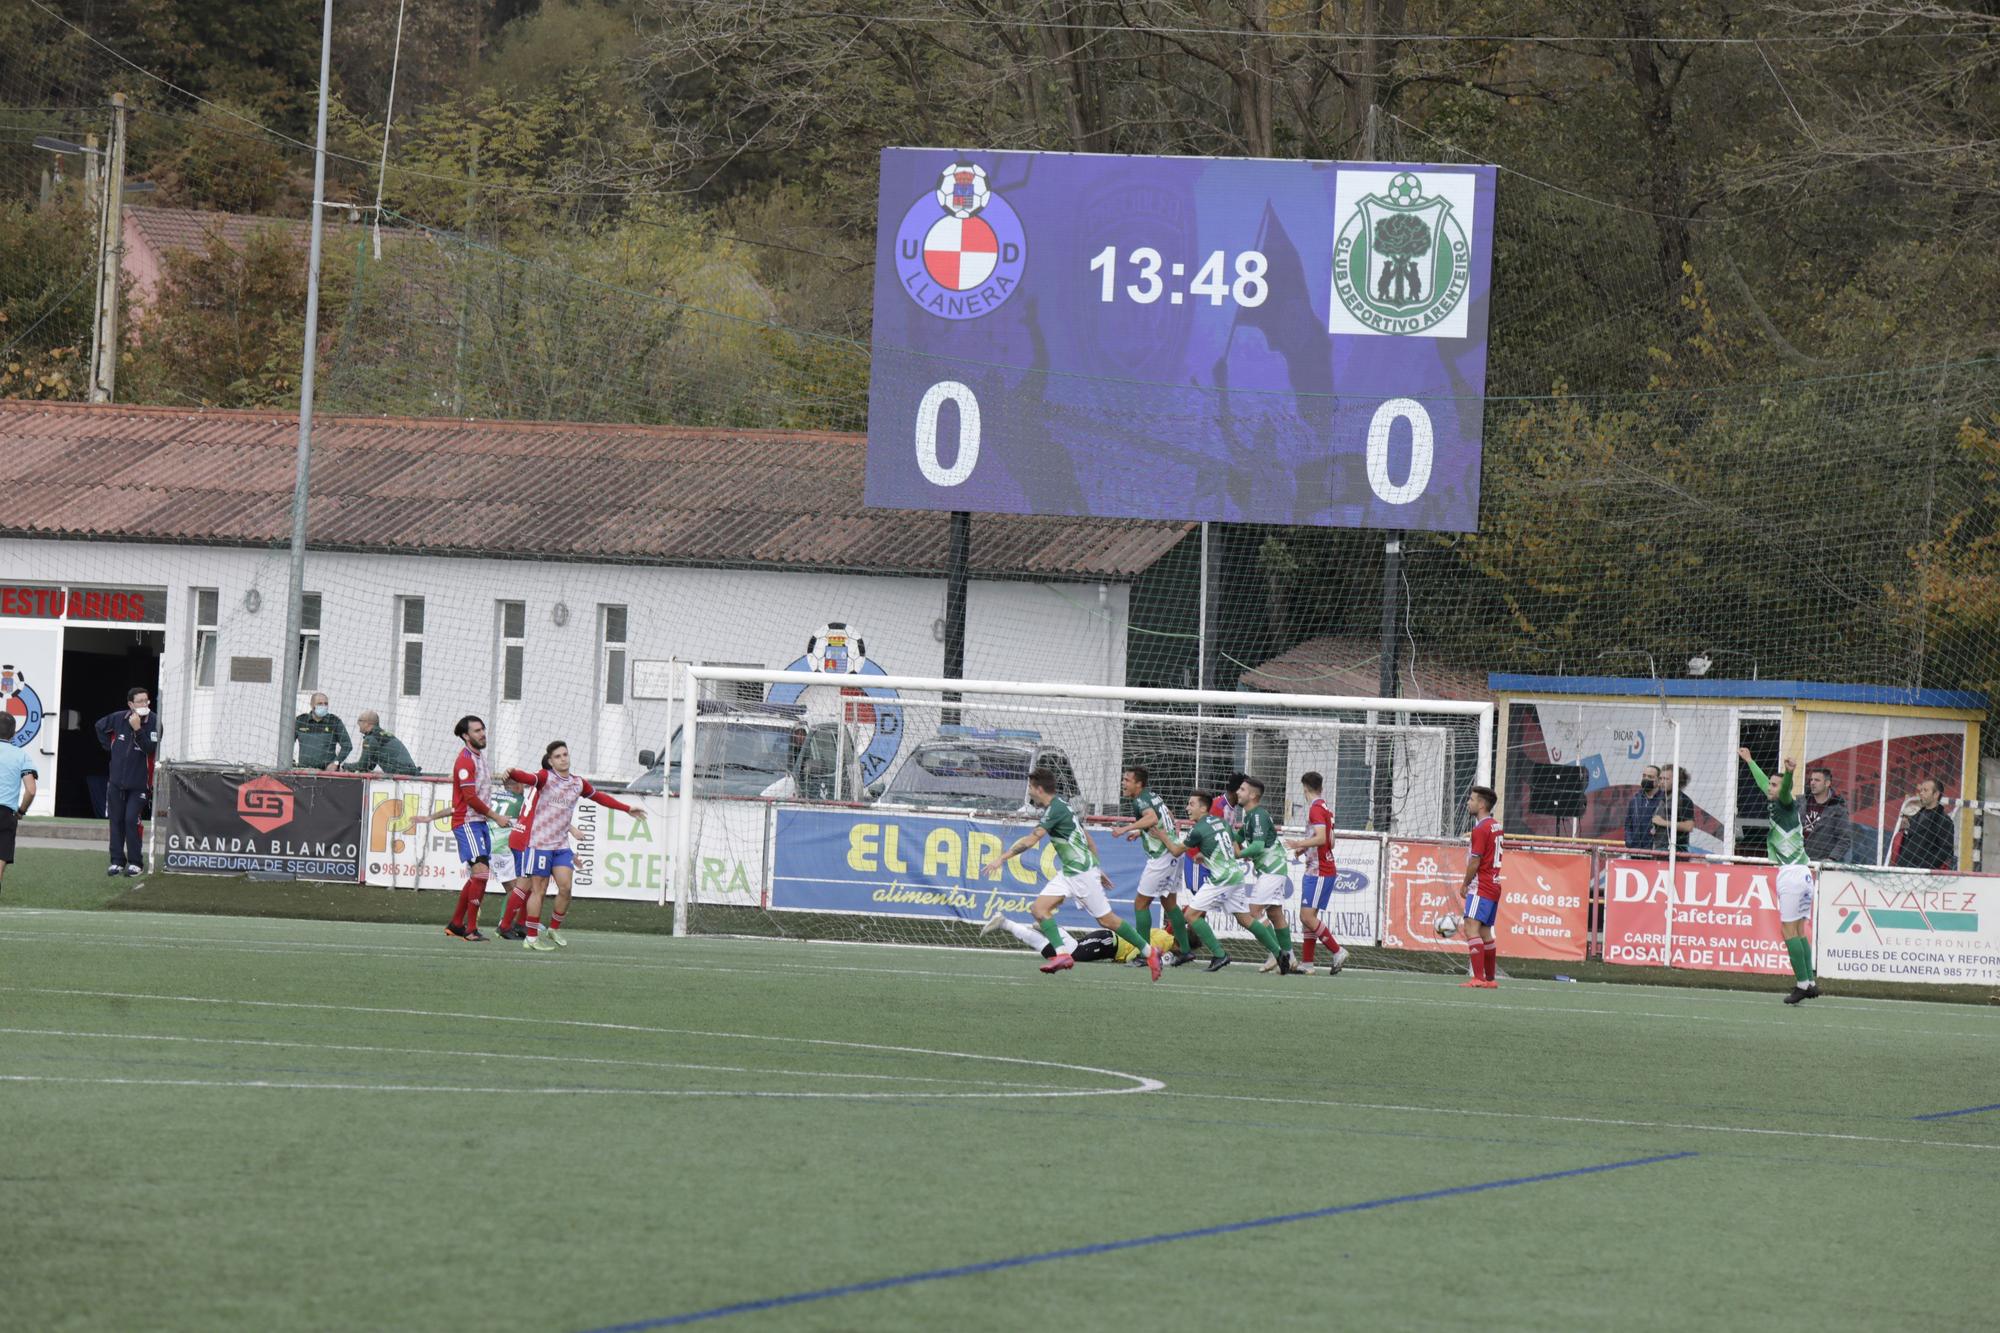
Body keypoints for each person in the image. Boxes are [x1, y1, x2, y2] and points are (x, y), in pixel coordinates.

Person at [978, 767, 1160, 979]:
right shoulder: (1062, 805)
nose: (1029, 792)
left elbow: (1032, 839)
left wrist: (1002, 858)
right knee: (1038, 909)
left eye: (1030, 788)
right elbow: (1086, 838)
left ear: (1039, 789)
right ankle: (1063, 955)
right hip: (1071, 872)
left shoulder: (1055, 810)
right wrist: (1096, 866)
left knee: (1107, 921)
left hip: (1081, 873)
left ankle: (1150, 952)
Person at [507, 741, 648, 951]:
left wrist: (626, 808)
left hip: (561, 846)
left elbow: (600, 797)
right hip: (539, 844)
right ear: (551, 761)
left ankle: (553, 928)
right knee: (539, 890)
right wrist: (513, 772)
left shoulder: (577, 783)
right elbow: (527, 778)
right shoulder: (545, 778)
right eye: (558, 756)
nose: (563, 759)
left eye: (565, 754)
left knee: (566, 888)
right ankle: (532, 938)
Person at [1162, 790, 1292, 974]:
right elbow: (1231, 847)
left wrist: (1161, 834)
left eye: (1191, 804)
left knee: (1191, 915)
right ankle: (1279, 953)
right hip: (1236, 876)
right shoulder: (1221, 822)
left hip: (1222, 879)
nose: (1187, 808)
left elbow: (1176, 851)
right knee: (1245, 919)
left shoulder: (1197, 829)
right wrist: (1206, 855)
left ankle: (1219, 955)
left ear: (1203, 808)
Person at [1739, 749, 1819, 1004]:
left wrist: (1790, 773)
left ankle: (1802, 984)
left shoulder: (1785, 802)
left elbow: (1783, 790)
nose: (1770, 787)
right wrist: (1750, 761)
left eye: (1775, 785)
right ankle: (1811, 983)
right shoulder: (1777, 800)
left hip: (1791, 874)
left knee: (1788, 930)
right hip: (1803, 874)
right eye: (1771, 784)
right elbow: (1765, 783)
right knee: (1799, 929)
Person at [443, 715, 513, 941]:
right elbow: (470, 798)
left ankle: (456, 924)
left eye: (483, 729)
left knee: (478, 875)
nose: (482, 734)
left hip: (479, 822)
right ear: (466, 736)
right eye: (477, 731)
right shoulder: (465, 760)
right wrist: (496, 816)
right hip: (467, 822)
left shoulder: (479, 757)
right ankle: (470, 929)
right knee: (481, 873)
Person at [1117, 765, 1192, 964]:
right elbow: (1169, 816)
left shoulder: (1141, 799)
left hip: (1162, 856)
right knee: (1170, 904)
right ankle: (1185, 951)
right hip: (1174, 852)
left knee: (1141, 904)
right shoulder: (1153, 796)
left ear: (1139, 784)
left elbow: (1152, 817)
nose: (1124, 783)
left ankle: (1145, 955)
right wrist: (1139, 832)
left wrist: (1125, 828)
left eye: (1127, 780)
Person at [1284, 771, 1350, 973]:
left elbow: (1322, 838)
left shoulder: (1315, 809)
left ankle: (1338, 951)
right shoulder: (1326, 808)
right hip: (1318, 868)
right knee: (1308, 917)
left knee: (1307, 917)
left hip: (1320, 870)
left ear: (1305, 788)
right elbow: (1331, 842)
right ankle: (1308, 964)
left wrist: (1299, 843)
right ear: (1321, 787)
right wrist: (1305, 849)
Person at [1236, 777, 1301, 974]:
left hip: (1272, 869)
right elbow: (1236, 838)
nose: (1238, 792)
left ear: (1252, 795)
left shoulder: (1258, 816)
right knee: (1274, 914)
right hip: (1271, 869)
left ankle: (1276, 953)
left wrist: (1239, 854)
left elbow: (1257, 846)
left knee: (1254, 912)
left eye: (1242, 789)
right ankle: (1290, 958)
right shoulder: (1250, 816)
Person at [94, 687, 159, 877]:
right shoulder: (118, 718)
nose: (144, 704)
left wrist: (138, 728)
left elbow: (150, 748)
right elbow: (99, 726)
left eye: (146, 700)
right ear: (131, 704)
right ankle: (116, 861)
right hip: (116, 783)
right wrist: (110, 746)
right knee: (116, 821)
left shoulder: (155, 722)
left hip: (139, 785)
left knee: (131, 820)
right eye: (140, 701)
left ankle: (136, 862)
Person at [1457, 785, 1503, 989]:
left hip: (1481, 886)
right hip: (1494, 885)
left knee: (1470, 927)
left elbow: (1475, 861)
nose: (1468, 802)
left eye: (1472, 799)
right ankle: (1490, 979)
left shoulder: (1480, 829)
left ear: (1482, 804)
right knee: (1485, 933)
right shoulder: (1495, 826)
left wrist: (1465, 883)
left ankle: (1478, 978)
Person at [0, 714, 39, 898]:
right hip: (6, 813)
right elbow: (31, 790)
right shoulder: (21, 755)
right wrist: (21, 811)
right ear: (14, 733)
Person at [1894, 778, 1957, 870]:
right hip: (1904, 868)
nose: (1921, 793)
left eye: (1925, 790)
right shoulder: (1915, 816)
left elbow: (1946, 850)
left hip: (1923, 872)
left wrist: (1926, 867)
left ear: (1936, 794)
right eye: (1921, 790)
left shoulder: (1943, 820)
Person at [343, 710, 420, 776]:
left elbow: (362, 766)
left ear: (367, 723)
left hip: (401, 774)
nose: (358, 724)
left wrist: (344, 766)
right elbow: (370, 765)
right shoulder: (385, 734)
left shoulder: (371, 738)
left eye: (359, 721)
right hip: (410, 771)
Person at [1799, 766, 1851, 863]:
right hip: (1797, 861)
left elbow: (1844, 839)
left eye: (1817, 780)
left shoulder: (1838, 808)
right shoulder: (1801, 802)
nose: (1812, 783)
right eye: (1811, 780)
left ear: (1827, 783)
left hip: (1820, 863)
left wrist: (1831, 859)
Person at [293, 692, 352, 770]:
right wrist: (290, 760)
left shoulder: (334, 721)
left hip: (327, 773)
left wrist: (336, 763)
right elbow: (287, 743)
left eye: (326, 704)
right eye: (320, 704)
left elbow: (347, 745)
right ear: (312, 705)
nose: (323, 706)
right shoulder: (301, 721)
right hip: (304, 771)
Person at [1651, 766, 1694, 853]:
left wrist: (1663, 822)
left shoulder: (1684, 800)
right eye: (1660, 778)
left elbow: (1689, 826)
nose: (1662, 782)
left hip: (1677, 852)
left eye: (1666, 779)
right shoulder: (1659, 798)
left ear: (1677, 781)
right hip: (1658, 849)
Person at [1622, 764, 1665, 850]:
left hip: (1656, 851)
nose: (1646, 779)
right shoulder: (1635, 799)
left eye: (1650, 777)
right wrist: (1629, 842)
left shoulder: (1665, 800)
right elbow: (1628, 824)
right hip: (1635, 850)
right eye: (1644, 776)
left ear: (1659, 781)